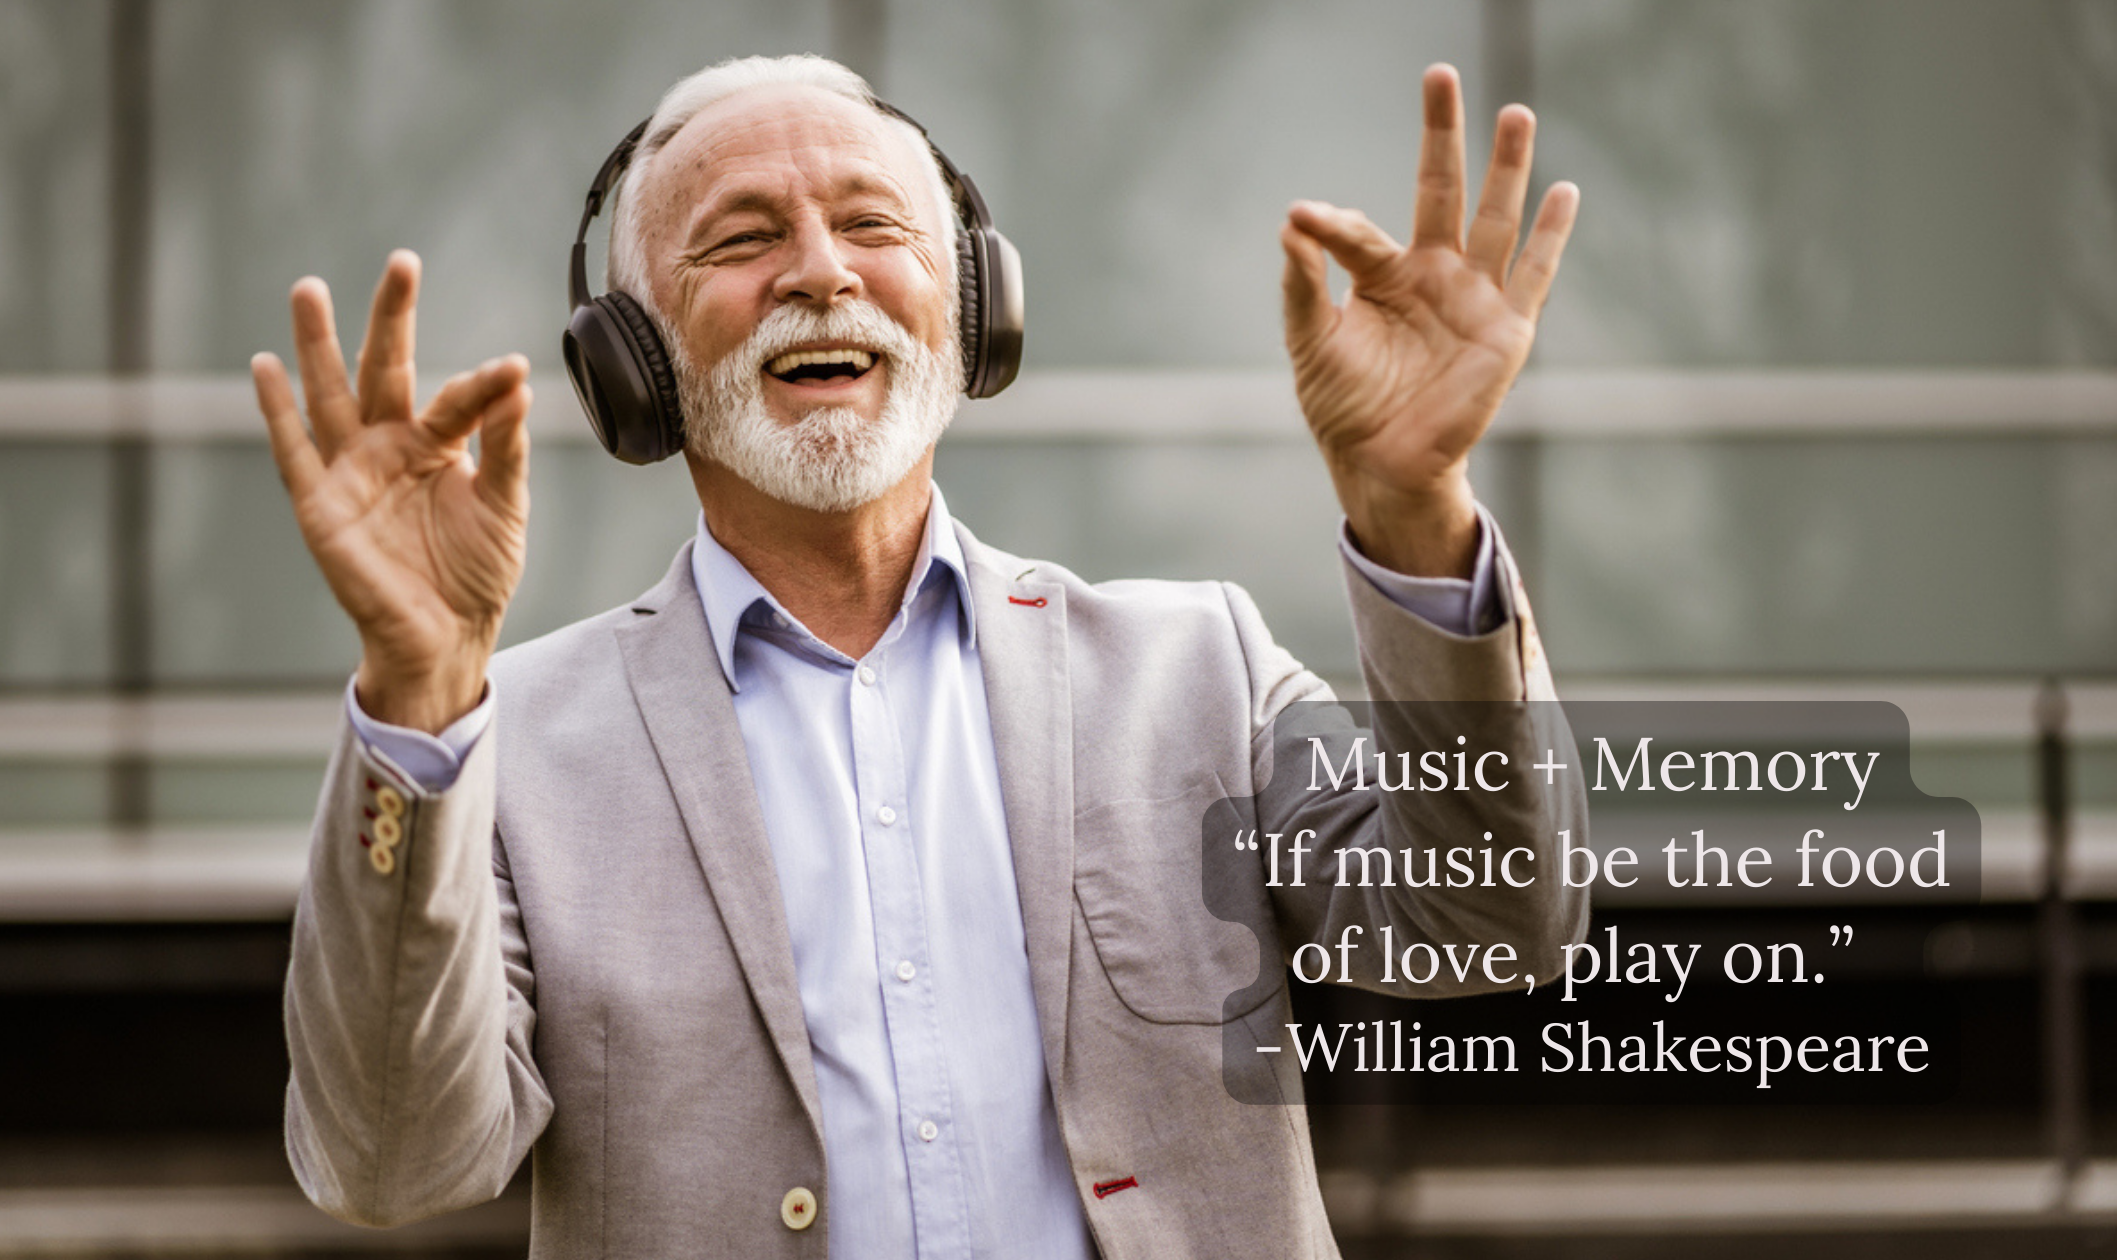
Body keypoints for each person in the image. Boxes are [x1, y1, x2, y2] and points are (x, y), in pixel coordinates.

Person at [254, 53, 1587, 1260]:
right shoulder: (517, 746)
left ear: (973, 311)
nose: (821, 271)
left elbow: (1493, 922)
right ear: (633, 363)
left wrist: (1419, 514)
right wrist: (419, 690)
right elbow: (391, 1162)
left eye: (874, 225)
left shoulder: (1199, 670)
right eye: (742, 238)